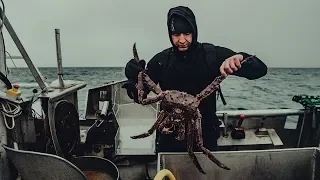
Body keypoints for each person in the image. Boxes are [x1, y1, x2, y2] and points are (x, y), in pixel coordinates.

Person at [122, 6, 267, 152]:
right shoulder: (161, 60)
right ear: (170, 34)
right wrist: (133, 79)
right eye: (176, 34)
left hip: (205, 136)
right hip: (168, 136)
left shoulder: (211, 55)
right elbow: (139, 96)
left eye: (187, 33)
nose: (182, 40)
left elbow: (260, 70)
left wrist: (240, 57)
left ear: (194, 31)